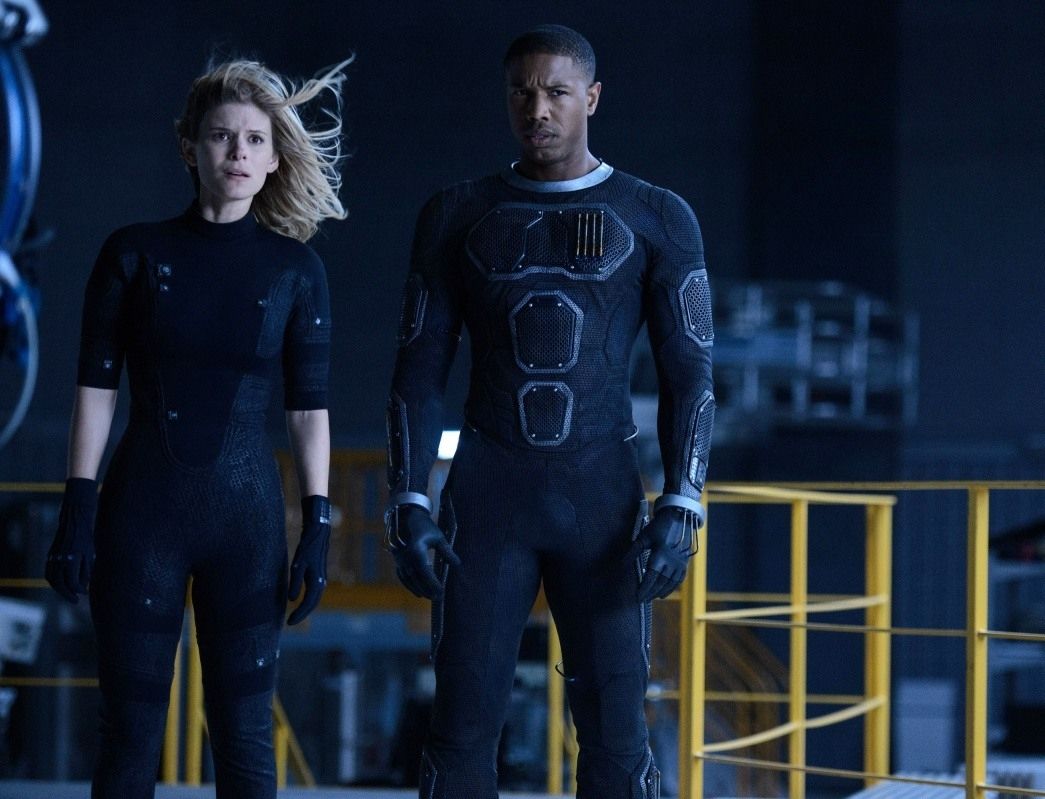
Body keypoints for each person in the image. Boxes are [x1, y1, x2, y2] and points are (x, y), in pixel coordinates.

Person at [385, 24, 714, 799]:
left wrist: (683, 501)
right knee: (459, 729)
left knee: (616, 735)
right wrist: (408, 500)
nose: (537, 109)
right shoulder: (454, 213)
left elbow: (691, 374)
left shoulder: (658, 216)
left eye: (557, 92)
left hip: (601, 499)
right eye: (522, 93)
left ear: (591, 98)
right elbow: (417, 371)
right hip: (485, 499)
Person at [44, 56, 350, 799]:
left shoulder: (296, 270)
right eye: (221, 136)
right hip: (140, 517)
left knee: (244, 739)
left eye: (254, 140)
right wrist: (77, 505)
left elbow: (308, 410)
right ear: (190, 147)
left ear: (273, 158)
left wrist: (318, 522)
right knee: (129, 734)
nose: (237, 153)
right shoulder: (133, 253)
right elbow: (95, 390)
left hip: (246, 526)